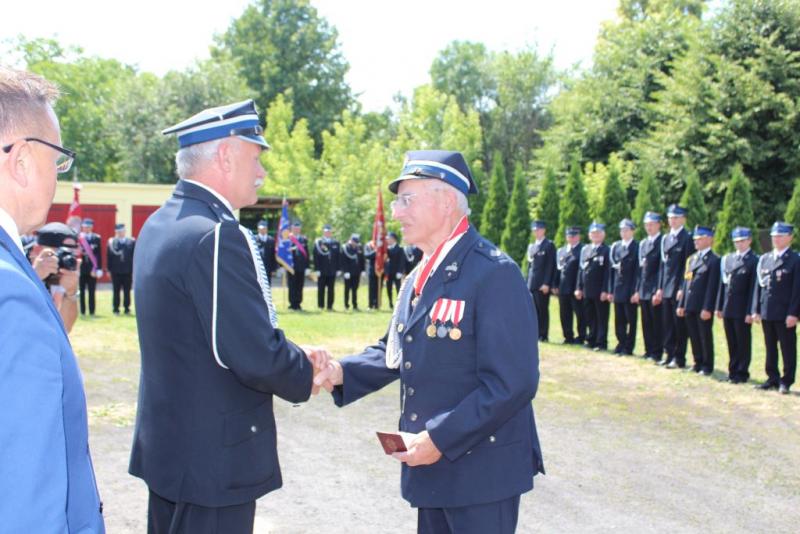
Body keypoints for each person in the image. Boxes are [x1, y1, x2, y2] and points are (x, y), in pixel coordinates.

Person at [314, 150, 544, 534]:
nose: (396, 213)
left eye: (407, 200)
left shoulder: (493, 273)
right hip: (433, 466)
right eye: (397, 201)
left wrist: (439, 437)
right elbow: (396, 349)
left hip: (480, 473)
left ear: (447, 201)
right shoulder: (423, 272)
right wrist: (340, 372)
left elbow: (512, 383)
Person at [130, 99, 330, 533]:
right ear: (225, 155)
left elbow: (205, 337)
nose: (262, 172)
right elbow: (253, 353)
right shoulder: (217, 235)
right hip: (212, 462)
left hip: (172, 452)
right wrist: (305, 372)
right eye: (255, 158)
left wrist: (290, 353)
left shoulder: (162, 222)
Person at [0, 66, 104, 532]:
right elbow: (26, 498)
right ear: (21, 160)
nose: (58, 176)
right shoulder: (10, 291)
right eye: (57, 160)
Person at [751, 222, 800, 394]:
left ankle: (786, 381)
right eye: (774, 236)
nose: (776, 239)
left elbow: (797, 290)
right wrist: (756, 309)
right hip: (767, 310)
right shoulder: (765, 259)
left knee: (787, 348)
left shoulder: (795, 260)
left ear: (790, 237)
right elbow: (759, 286)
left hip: (785, 312)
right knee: (770, 346)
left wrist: (794, 313)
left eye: (780, 236)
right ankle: (772, 377)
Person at [715, 227, 758, 383]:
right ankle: (732, 371)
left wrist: (750, 311)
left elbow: (753, 289)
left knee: (743, 342)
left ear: (749, 241)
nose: (739, 244)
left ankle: (742, 372)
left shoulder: (754, 260)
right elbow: (723, 285)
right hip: (729, 307)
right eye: (736, 241)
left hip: (742, 308)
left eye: (742, 241)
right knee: (731, 341)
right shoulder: (729, 259)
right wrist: (719, 306)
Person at [677, 226, 720, 376]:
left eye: (699, 239)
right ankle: (698, 362)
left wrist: (707, 308)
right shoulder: (692, 259)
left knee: (704, 335)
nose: (696, 242)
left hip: (702, 305)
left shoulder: (714, 260)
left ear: (709, 239)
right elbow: (686, 282)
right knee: (693, 335)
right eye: (695, 239)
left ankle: (707, 365)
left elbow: (712, 287)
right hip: (690, 303)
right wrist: (681, 304)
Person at [654, 204, 693, 368]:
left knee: (679, 326)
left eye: (676, 218)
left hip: (678, 288)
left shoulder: (687, 238)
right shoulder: (666, 238)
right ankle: (669, 353)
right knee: (667, 324)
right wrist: (659, 287)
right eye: (670, 218)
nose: (673, 221)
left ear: (683, 219)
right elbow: (663, 266)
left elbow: (688, 266)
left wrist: (683, 288)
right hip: (666, 287)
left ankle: (679, 357)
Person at [28, 222, 82, 333]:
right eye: (60, 253)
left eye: (70, 254)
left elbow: (65, 328)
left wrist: (71, 294)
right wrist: (34, 277)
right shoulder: (15, 268)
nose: (65, 258)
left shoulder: (63, 273)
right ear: (36, 250)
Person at [632, 212, 664, 361]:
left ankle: (657, 352)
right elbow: (640, 269)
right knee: (646, 322)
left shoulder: (662, 241)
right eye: (646, 225)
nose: (649, 228)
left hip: (654, 288)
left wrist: (658, 289)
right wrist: (637, 289)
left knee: (656, 322)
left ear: (658, 225)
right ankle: (648, 350)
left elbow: (661, 269)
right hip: (644, 288)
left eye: (651, 224)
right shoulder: (643, 243)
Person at [576, 222, 611, 351]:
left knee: (601, 317)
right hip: (587, 289)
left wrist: (605, 290)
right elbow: (581, 270)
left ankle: (601, 342)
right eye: (593, 233)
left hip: (600, 290)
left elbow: (608, 272)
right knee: (589, 316)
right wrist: (578, 287)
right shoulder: (585, 250)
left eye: (598, 233)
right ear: (589, 235)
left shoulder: (606, 250)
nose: (595, 235)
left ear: (603, 235)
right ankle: (591, 339)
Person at [608, 219, 640, 356]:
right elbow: (611, 271)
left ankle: (628, 346)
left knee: (631, 320)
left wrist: (635, 291)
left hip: (630, 288)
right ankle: (620, 343)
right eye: (622, 230)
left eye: (627, 230)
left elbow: (638, 272)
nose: (624, 233)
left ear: (632, 231)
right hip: (618, 288)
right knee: (619, 319)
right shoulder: (616, 247)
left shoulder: (637, 247)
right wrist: (610, 290)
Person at [553, 226, 586, 345]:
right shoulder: (561, 251)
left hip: (575, 288)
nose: (571, 238)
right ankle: (568, 336)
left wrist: (579, 287)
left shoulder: (582, 250)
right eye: (569, 236)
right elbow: (557, 269)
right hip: (563, 287)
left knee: (580, 313)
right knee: (564, 313)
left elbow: (581, 271)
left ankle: (581, 336)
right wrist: (555, 284)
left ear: (578, 237)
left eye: (574, 236)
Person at [526, 220, 556, 343]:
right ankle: (535, 333)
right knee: (533, 310)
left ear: (543, 230)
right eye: (534, 230)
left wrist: (547, 283)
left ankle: (543, 334)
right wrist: (527, 282)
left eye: (538, 230)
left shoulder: (549, 245)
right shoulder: (532, 246)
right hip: (532, 283)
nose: (536, 232)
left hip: (542, 284)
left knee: (542, 310)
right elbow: (529, 267)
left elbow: (550, 266)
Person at [107, 222, 135, 315]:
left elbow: (134, 256)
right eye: (118, 231)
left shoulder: (131, 241)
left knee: (127, 291)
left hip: (127, 271)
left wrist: (134, 270)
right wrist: (108, 270)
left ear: (125, 231)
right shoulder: (112, 242)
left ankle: (127, 308)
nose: (120, 233)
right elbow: (109, 257)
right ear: (116, 232)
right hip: (116, 271)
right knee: (116, 291)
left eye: (122, 231)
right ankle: (116, 309)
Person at [78, 217, 103, 316]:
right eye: (84, 227)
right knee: (82, 291)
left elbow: (99, 254)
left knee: (92, 291)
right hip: (82, 268)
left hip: (92, 268)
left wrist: (98, 268)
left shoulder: (96, 238)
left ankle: (92, 311)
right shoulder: (79, 238)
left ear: (91, 227)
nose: (86, 228)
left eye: (88, 227)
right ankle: (83, 311)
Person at [313, 223, 340, 310]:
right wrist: (316, 269)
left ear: (331, 232)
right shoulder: (319, 242)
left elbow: (338, 257)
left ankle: (330, 306)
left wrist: (338, 269)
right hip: (322, 269)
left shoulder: (336, 243)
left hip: (332, 269)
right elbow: (315, 256)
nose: (328, 233)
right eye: (326, 232)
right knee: (321, 288)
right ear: (323, 232)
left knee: (331, 289)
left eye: (329, 232)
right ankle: (321, 306)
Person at [288, 221, 309, 310]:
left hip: (301, 266)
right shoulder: (288, 238)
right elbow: (284, 252)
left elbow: (307, 253)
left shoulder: (304, 239)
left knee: (300, 285)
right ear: (292, 229)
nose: (296, 230)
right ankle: (292, 304)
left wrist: (307, 267)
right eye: (295, 228)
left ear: (300, 229)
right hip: (291, 266)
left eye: (298, 228)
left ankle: (298, 303)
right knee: (292, 285)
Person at [340, 233, 365, 310]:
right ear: (351, 240)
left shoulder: (359, 247)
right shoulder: (345, 248)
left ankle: (355, 305)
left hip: (357, 271)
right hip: (348, 272)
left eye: (357, 242)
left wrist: (363, 270)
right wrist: (345, 271)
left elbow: (362, 259)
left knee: (355, 289)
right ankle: (346, 305)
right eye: (354, 241)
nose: (356, 243)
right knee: (347, 289)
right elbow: (343, 261)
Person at [385, 231, 405, 307]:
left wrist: (400, 271)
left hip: (396, 272)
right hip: (388, 272)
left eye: (389, 238)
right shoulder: (386, 249)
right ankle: (390, 303)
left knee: (398, 288)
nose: (387, 240)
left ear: (393, 239)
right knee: (388, 288)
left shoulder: (400, 249)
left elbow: (401, 261)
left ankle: (399, 303)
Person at [255, 220, 277, 286]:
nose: (262, 230)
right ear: (258, 229)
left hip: (268, 268)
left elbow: (273, 256)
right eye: (261, 229)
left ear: (267, 229)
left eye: (264, 228)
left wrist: (274, 269)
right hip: (257, 268)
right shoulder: (254, 239)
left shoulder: (271, 240)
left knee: (267, 285)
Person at [364, 239, 379, 309]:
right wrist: (375, 251)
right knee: (371, 288)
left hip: (380, 269)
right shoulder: (368, 245)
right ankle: (370, 305)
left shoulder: (381, 245)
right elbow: (367, 255)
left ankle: (377, 304)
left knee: (378, 288)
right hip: (372, 270)